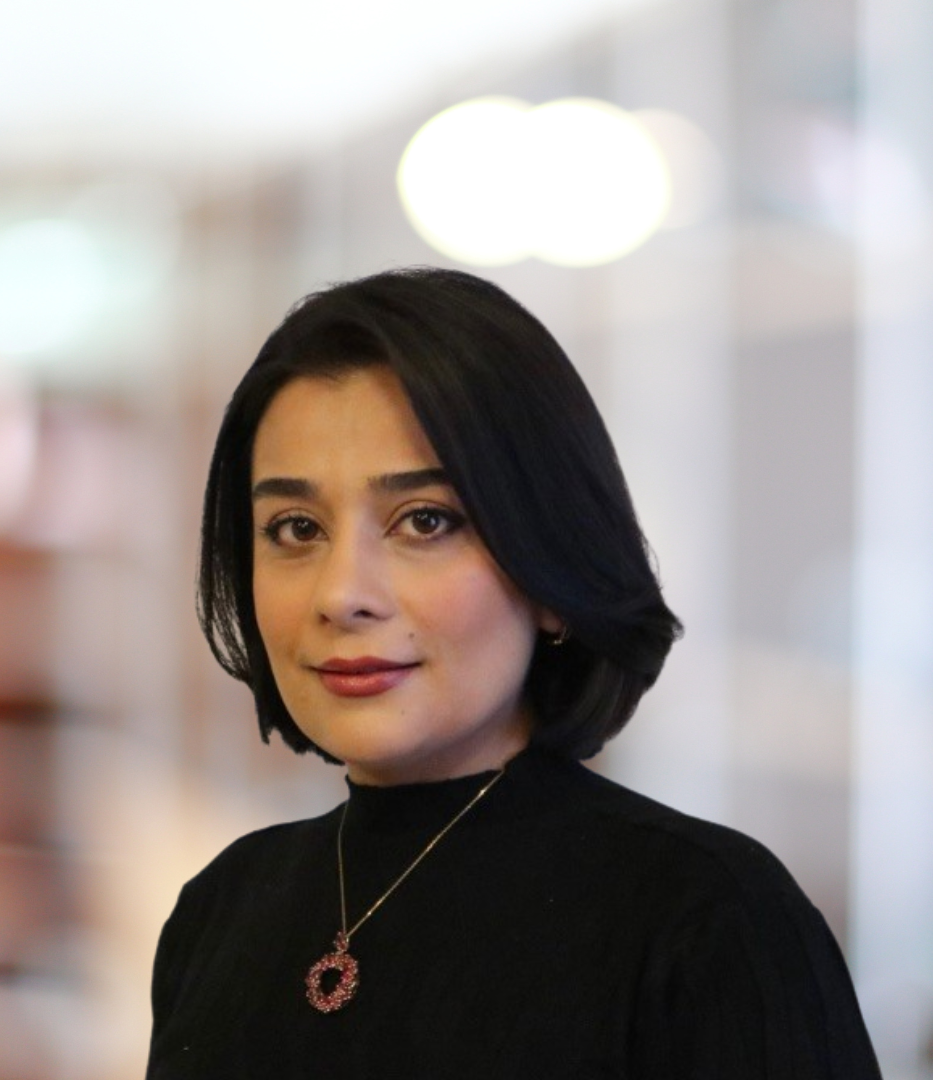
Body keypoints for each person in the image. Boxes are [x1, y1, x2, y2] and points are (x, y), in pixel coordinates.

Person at [146, 267, 881, 1078]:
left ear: (550, 571)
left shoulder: (707, 919)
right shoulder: (222, 910)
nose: (343, 594)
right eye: (294, 527)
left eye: (424, 521)